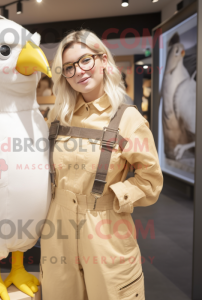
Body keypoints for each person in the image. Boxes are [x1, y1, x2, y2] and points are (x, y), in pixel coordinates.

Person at [39, 29, 163, 300]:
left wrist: (114, 198)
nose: (78, 71)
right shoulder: (56, 117)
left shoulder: (128, 119)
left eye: (86, 60)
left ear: (103, 60)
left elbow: (151, 181)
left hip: (106, 230)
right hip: (57, 229)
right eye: (69, 67)